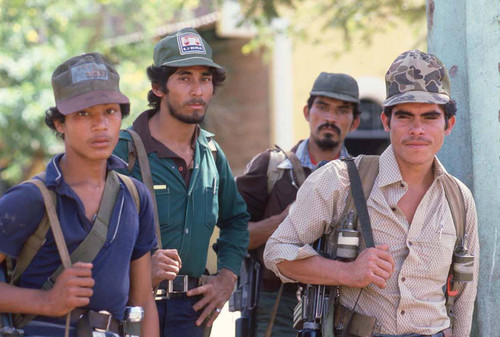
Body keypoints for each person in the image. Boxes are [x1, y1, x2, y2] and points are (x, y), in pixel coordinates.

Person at [264, 50, 479, 337]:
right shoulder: (340, 181)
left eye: (429, 117)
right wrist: (346, 273)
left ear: (448, 125)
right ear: (386, 121)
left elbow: (464, 298)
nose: (417, 129)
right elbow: (276, 252)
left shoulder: (459, 199)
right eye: (404, 116)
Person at [0, 52, 159, 337]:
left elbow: (143, 299)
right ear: (60, 123)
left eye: (109, 111)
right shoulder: (30, 199)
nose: (100, 125)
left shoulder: (135, 197)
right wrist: (46, 301)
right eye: (83, 114)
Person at [113, 27, 249, 337]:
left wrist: (227, 276)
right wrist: (140, 268)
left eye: (205, 79)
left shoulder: (212, 154)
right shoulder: (122, 152)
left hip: (193, 314)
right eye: (185, 78)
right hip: (130, 307)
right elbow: (90, 232)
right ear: (159, 87)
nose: (198, 91)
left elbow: (237, 220)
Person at [235, 72, 361, 336]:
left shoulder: (362, 178)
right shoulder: (271, 168)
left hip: (339, 303)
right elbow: (235, 237)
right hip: (277, 304)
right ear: (307, 111)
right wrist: (285, 221)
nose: (330, 118)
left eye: (341, 111)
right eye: (323, 107)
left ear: (355, 121)